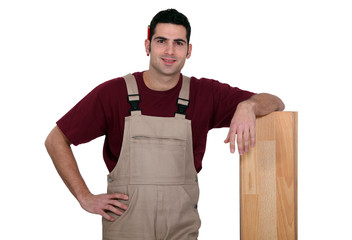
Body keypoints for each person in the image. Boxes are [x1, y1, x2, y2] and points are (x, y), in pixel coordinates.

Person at [45, 8, 284, 240]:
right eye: (161, 41)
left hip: (181, 228)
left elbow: (276, 103)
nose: (170, 50)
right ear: (147, 45)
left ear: (189, 50)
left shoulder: (206, 94)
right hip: (126, 228)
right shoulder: (113, 93)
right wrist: (84, 197)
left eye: (179, 43)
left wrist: (248, 106)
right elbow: (56, 139)